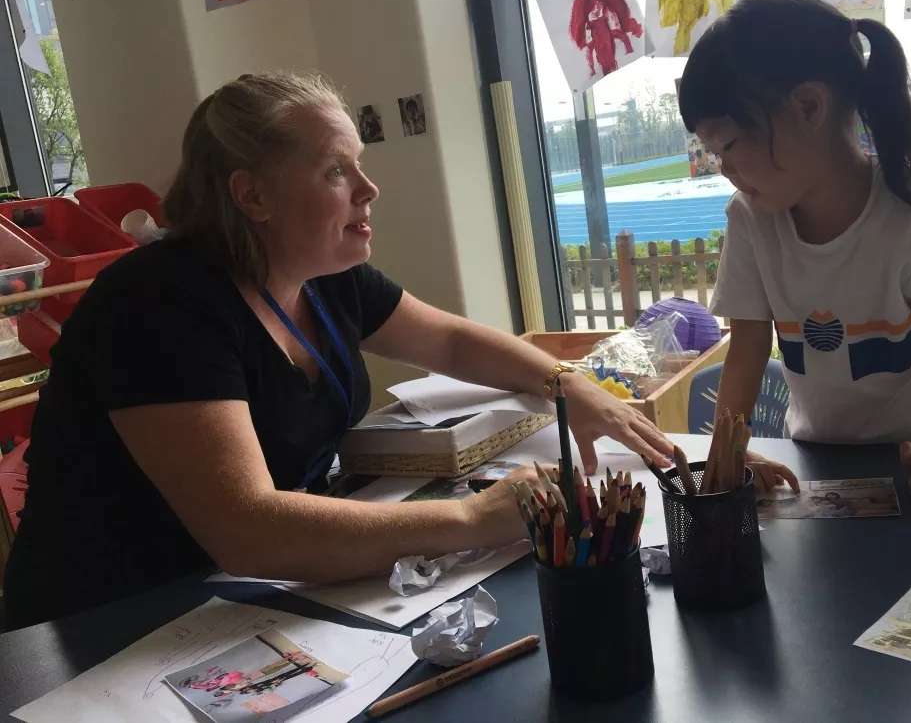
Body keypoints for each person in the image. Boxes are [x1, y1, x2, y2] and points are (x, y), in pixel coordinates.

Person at [3, 72, 676, 629]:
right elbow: (247, 528)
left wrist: (566, 384)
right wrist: (473, 517)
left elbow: (449, 339)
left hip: (237, 597)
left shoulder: (324, 277)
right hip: (105, 629)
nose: (368, 188)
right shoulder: (158, 303)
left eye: (360, 164)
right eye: (335, 170)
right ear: (252, 195)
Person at [678, 0, 911, 498]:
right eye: (713, 153)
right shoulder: (750, 219)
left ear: (808, 107)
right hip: (819, 461)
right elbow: (748, 344)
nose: (723, 168)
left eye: (727, 145)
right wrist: (731, 449)